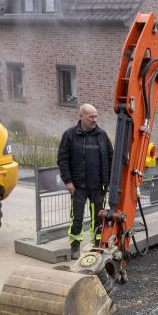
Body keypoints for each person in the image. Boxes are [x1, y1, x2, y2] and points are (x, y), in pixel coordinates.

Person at [57, 103, 114, 260]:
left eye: (96, 116)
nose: (94, 120)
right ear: (81, 116)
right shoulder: (70, 135)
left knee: (99, 218)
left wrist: (108, 180)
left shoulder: (102, 135)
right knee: (77, 219)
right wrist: (68, 181)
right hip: (78, 187)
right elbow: (62, 159)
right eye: (91, 117)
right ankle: (75, 246)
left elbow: (111, 157)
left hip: (98, 187)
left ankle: (97, 245)